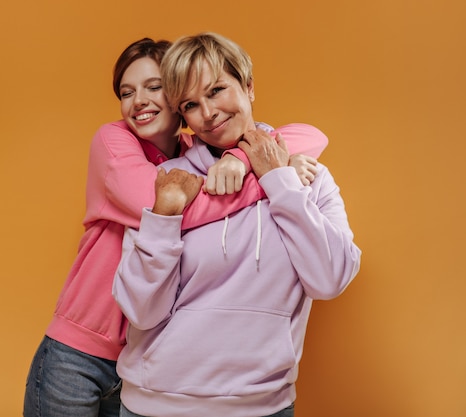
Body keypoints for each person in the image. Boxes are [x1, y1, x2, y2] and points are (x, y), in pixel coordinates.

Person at [23, 37, 328, 417]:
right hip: (80, 354)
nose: (139, 101)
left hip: (143, 359)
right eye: (126, 92)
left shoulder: (197, 154)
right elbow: (157, 204)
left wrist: (238, 158)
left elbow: (309, 135)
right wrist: (268, 176)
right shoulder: (113, 141)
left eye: (154, 87)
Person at [113, 32, 362, 417]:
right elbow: (142, 311)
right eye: (191, 104)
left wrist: (279, 181)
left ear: (248, 86)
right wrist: (164, 215)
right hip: (156, 404)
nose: (208, 113)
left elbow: (330, 279)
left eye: (217, 90)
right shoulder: (168, 181)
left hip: (263, 406)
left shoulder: (307, 175)